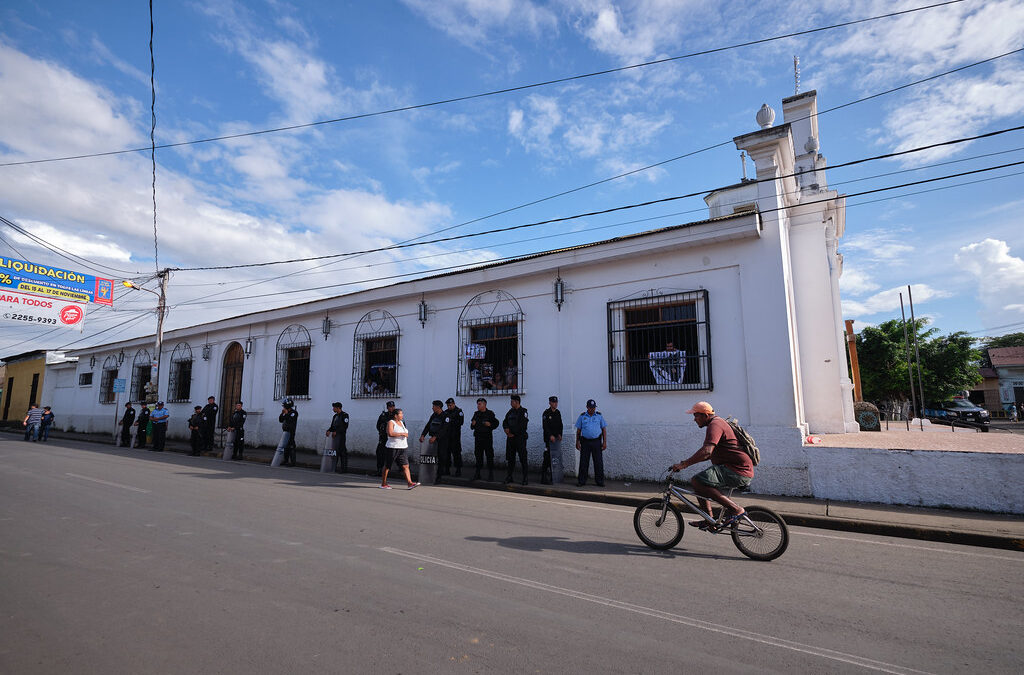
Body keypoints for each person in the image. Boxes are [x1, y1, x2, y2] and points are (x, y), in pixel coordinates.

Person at [670, 401, 754, 529]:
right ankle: (709, 520)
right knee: (701, 484)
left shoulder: (715, 424)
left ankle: (736, 510)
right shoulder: (716, 423)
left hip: (737, 470)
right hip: (733, 468)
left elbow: (707, 451)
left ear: (705, 415)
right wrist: (687, 463)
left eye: (696, 416)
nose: (694, 419)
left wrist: (684, 464)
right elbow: (708, 454)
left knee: (697, 481)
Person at [382, 408, 419, 489]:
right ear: (395, 415)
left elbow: (405, 433)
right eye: (400, 414)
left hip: (403, 448)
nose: (402, 415)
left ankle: (410, 483)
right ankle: (384, 483)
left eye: (402, 414)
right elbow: (390, 433)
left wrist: (405, 434)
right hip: (393, 447)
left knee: (406, 466)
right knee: (388, 466)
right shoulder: (391, 422)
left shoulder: (402, 423)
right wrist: (402, 433)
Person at [574, 399, 607, 487]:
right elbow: (578, 430)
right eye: (590, 408)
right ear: (587, 407)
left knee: (598, 462)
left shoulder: (599, 416)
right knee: (584, 462)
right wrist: (577, 442)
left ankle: (600, 481)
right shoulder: (582, 416)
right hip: (585, 442)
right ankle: (581, 481)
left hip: (596, 442)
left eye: (594, 407)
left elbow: (604, 429)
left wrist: (604, 442)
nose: (592, 409)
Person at [419, 400, 450, 484]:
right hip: (433, 439)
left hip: (442, 440)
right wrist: (423, 435)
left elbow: (444, 429)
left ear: (438, 407)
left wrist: (435, 437)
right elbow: (428, 425)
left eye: (433, 406)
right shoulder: (434, 415)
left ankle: (439, 477)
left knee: (441, 457)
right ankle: (429, 474)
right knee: (431, 458)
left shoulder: (446, 416)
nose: (432, 408)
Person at [502, 394, 529, 485]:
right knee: (510, 459)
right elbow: (505, 421)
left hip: (520, 439)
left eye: (512, 401)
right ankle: (509, 476)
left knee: (523, 459)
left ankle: (525, 478)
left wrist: (512, 432)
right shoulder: (510, 412)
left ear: (517, 402)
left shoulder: (523, 412)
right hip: (510, 439)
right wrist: (506, 429)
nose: (510, 403)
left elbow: (523, 426)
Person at [470, 397, 498, 481]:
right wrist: (473, 424)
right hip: (478, 438)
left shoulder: (490, 413)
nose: (478, 406)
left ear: (484, 404)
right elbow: (472, 427)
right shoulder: (476, 414)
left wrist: (490, 425)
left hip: (487, 438)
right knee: (478, 456)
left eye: (479, 404)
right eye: (477, 404)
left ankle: (490, 474)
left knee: (489, 456)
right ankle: (477, 473)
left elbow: (496, 423)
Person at [541, 396, 564, 484]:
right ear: (550, 403)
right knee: (547, 458)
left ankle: (554, 477)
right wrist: (550, 435)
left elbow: (560, 425)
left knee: (555, 458)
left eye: (556, 402)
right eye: (553, 402)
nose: (555, 404)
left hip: (556, 440)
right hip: (549, 440)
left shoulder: (558, 413)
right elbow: (545, 426)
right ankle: (544, 477)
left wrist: (560, 434)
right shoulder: (546, 413)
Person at [327, 402, 350, 473]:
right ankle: (333, 467)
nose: (333, 409)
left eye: (334, 407)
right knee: (334, 453)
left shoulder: (345, 415)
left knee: (342, 452)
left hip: (341, 437)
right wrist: (329, 430)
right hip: (334, 437)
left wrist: (337, 431)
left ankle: (344, 469)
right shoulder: (335, 416)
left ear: (338, 408)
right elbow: (332, 426)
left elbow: (345, 427)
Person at [275, 398, 299, 467]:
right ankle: (285, 460)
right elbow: (280, 420)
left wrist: (286, 413)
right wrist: (282, 413)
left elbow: (290, 420)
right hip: (285, 432)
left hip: (291, 432)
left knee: (291, 446)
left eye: (284, 405)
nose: (283, 407)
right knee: (285, 446)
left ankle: (293, 462)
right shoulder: (286, 412)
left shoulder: (294, 413)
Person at [444, 397, 465, 477]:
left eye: (450, 405)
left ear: (454, 404)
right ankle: (447, 469)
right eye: (448, 405)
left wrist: (451, 421)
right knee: (447, 453)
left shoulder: (459, 412)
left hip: (455, 436)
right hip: (447, 436)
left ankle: (458, 470)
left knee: (456, 454)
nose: (449, 407)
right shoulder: (446, 412)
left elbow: (460, 422)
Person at [374, 401, 396, 476]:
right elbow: (378, 425)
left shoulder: (396, 415)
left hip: (392, 438)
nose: (391, 408)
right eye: (390, 406)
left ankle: (397, 469)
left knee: (393, 454)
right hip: (383, 437)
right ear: (387, 407)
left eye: (393, 406)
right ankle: (379, 469)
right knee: (380, 453)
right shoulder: (383, 415)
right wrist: (382, 432)